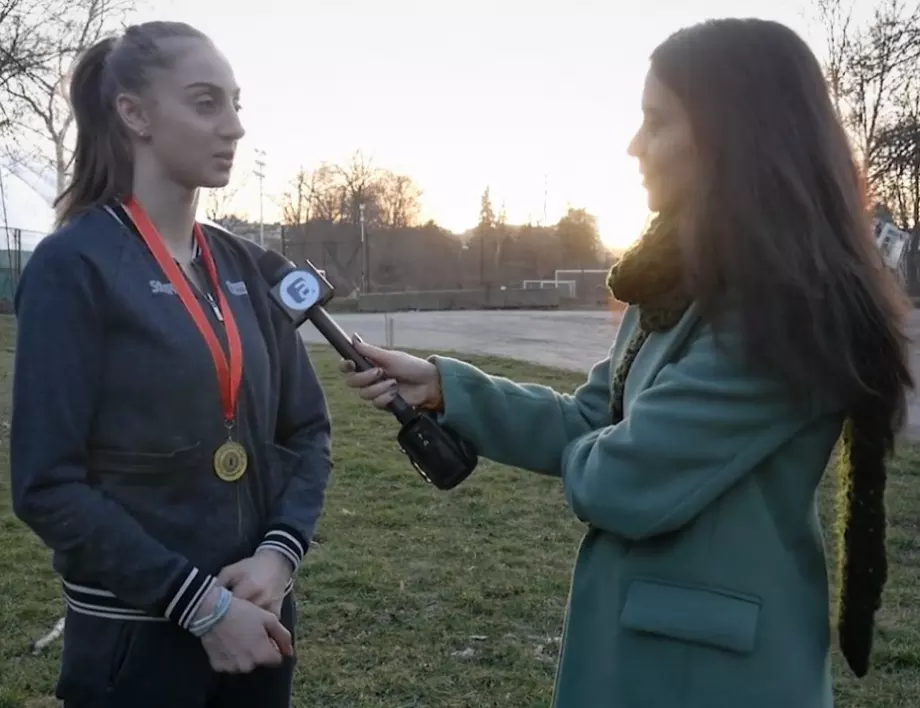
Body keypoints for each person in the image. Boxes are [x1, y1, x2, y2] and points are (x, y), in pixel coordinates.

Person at [340, 17, 914, 708]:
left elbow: (623, 479)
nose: (634, 145)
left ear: (734, 136)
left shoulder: (789, 312)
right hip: (653, 657)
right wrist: (444, 388)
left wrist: (596, 448)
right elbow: (594, 418)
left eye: (657, 121)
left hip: (717, 679)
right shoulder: (679, 281)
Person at [10, 21, 332, 708]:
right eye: (206, 102)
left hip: (262, 631)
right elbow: (46, 485)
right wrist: (200, 607)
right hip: (138, 649)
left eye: (237, 104)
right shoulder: (74, 267)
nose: (235, 128)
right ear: (134, 113)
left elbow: (307, 433)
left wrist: (279, 555)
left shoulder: (245, 265)